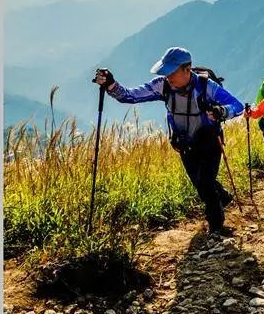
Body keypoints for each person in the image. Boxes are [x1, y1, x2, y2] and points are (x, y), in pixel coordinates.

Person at [93, 47, 244, 236]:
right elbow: (129, 96)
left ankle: (216, 226)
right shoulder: (162, 85)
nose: (167, 76)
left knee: (205, 182)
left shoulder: (206, 86)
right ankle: (223, 196)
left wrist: (222, 112)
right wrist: (111, 84)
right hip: (184, 143)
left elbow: (237, 106)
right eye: (165, 71)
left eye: (171, 71)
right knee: (200, 184)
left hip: (209, 141)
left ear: (187, 69)